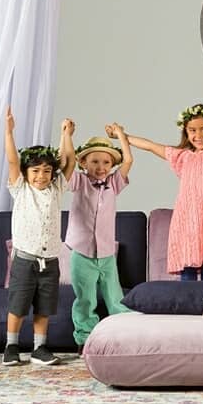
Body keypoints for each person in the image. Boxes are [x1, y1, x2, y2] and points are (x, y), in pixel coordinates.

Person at [120, 76, 203, 280]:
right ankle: (187, 297)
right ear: (186, 132)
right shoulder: (182, 157)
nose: (198, 135)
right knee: (188, 267)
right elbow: (150, 146)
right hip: (189, 221)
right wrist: (121, 135)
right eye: (192, 130)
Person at [2, 105, 74, 366]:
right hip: (25, 260)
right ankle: (11, 346)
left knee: (44, 307)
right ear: (25, 173)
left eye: (46, 171)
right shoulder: (21, 189)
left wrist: (66, 135)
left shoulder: (56, 189)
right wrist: (9, 132)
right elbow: (13, 161)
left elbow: (68, 162)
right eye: (35, 171)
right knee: (18, 305)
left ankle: (39, 348)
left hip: (50, 261)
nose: (41, 176)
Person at [63, 126, 133, 353]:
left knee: (115, 298)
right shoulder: (78, 182)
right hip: (81, 252)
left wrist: (120, 135)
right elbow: (67, 163)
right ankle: (84, 339)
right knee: (85, 299)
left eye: (106, 162)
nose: (100, 167)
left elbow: (128, 160)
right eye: (94, 161)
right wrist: (67, 136)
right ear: (83, 162)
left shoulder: (114, 183)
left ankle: (125, 335)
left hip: (106, 253)